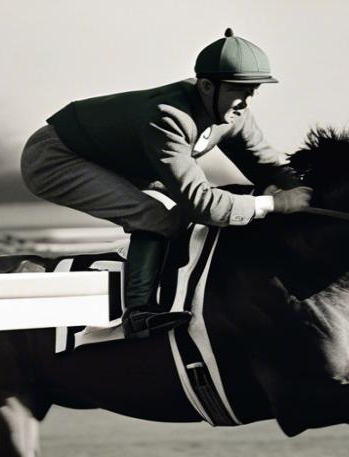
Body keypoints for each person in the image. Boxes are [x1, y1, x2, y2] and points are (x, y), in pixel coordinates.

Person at [21, 28, 313, 339]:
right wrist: (275, 203)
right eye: (239, 90)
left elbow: (269, 166)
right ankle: (138, 313)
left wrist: (304, 192)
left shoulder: (234, 114)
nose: (246, 101)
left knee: (198, 208)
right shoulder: (168, 116)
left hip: (116, 159)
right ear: (205, 86)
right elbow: (203, 206)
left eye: (253, 90)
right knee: (155, 216)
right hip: (55, 157)